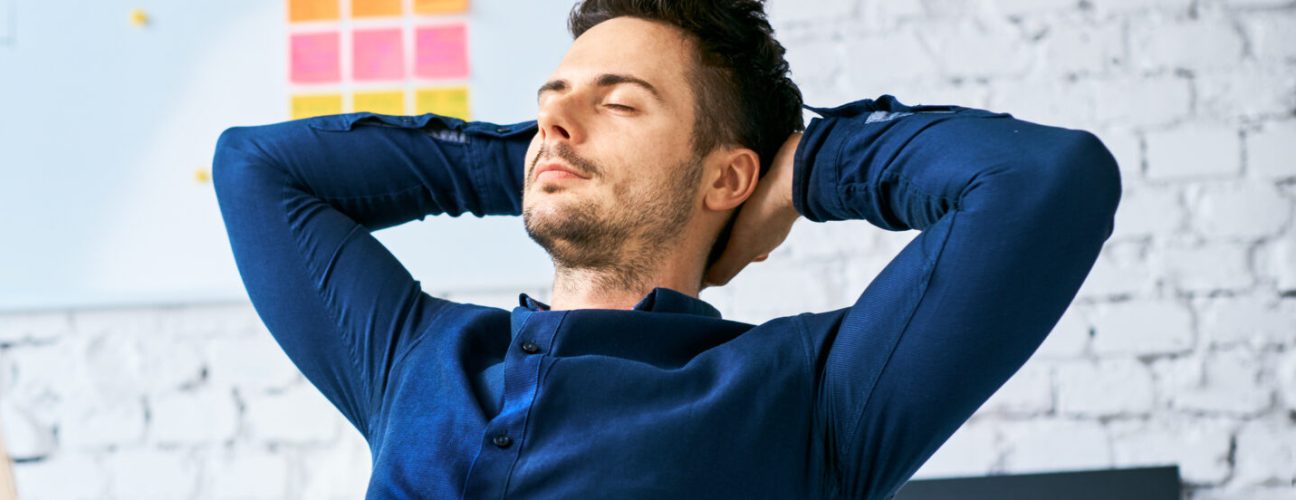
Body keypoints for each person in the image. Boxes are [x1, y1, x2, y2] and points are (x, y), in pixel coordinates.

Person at [210, 0, 1121, 497]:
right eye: (550, 99)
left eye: (618, 101)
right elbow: (255, 167)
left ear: (726, 178)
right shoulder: (420, 360)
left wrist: (806, 169)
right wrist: (541, 159)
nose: (553, 120)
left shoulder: (806, 399)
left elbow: (1045, 181)